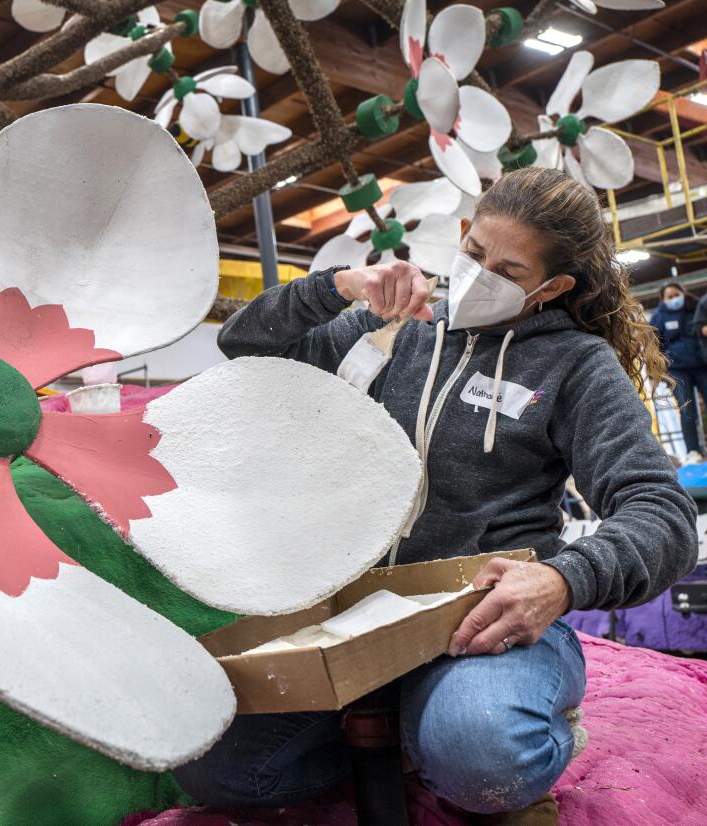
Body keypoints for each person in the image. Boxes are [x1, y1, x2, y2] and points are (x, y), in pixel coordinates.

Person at [174, 168, 697, 820]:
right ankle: (405, 735)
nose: (479, 273)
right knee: (215, 767)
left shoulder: (573, 365)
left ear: (552, 286)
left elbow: (661, 512)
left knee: (484, 756)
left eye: (507, 268)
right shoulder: (394, 329)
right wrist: (337, 287)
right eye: (474, 252)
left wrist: (561, 583)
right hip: (356, 615)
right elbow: (243, 341)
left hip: (479, 622)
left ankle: (509, 724)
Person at [650, 281, 707, 462]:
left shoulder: (697, 307)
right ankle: (693, 451)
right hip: (677, 370)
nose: (675, 299)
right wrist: (659, 371)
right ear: (663, 300)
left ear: (684, 293)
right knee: (686, 408)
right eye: (670, 297)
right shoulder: (659, 316)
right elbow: (655, 345)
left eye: (677, 295)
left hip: (702, 365)